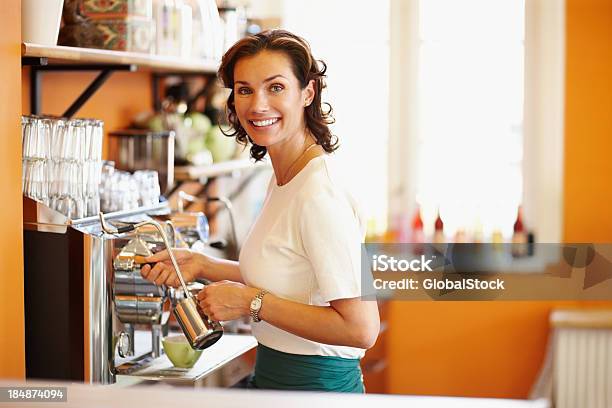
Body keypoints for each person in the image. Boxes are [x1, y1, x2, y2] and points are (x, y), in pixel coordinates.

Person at [141, 29, 380, 393]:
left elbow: (361, 329)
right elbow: (295, 280)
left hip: (317, 393)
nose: (258, 105)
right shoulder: (285, 176)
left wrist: (248, 302)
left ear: (308, 93)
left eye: (276, 87)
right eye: (245, 89)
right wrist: (204, 265)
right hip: (274, 382)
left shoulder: (320, 192)